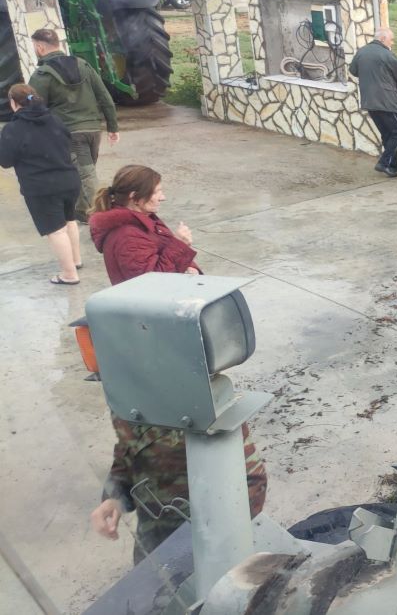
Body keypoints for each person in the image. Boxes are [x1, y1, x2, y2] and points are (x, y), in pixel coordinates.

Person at [87, 164, 267, 562]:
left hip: (202, 543)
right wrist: (114, 497)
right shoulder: (140, 392)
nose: (164, 196)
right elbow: (129, 445)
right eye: (157, 190)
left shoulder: (194, 400)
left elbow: (250, 484)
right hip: (162, 540)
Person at [28, 28, 119, 223]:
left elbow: (34, 108)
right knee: (81, 172)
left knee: (86, 176)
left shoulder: (42, 74)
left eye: (34, 46)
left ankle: (105, 218)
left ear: (40, 47)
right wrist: (112, 126)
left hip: (69, 133)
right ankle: (82, 211)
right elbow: (104, 96)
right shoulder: (83, 65)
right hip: (93, 130)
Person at [0, 84, 82, 285]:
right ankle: (76, 260)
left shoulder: (13, 129)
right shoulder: (54, 119)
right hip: (69, 179)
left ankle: (69, 274)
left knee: (56, 230)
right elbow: (68, 141)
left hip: (42, 187)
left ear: (13, 102)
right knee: (70, 221)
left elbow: (5, 160)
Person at [348, 28, 397, 177]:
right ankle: (383, 163)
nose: (392, 43)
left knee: (387, 133)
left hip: (369, 101)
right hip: (386, 101)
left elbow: (353, 70)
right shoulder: (387, 55)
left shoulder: (362, 52)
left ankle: (393, 163)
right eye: (391, 39)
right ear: (382, 39)